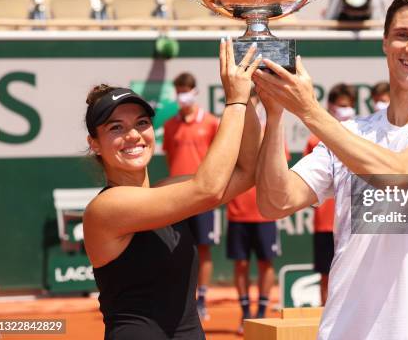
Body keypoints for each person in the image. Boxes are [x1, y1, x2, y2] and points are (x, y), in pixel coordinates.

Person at [253, 0, 408, 339]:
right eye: (402, 35)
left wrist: (310, 111)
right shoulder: (350, 133)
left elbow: (399, 174)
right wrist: (275, 116)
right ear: (385, 42)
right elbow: (276, 201)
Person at [82, 39, 261, 340]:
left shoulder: (170, 190)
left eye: (141, 123)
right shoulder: (105, 209)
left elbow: (247, 172)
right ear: (95, 145)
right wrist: (235, 102)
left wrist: (252, 95)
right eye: (116, 128)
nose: (134, 135)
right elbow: (209, 189)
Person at [162, 72, 220, 319]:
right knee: (175, 248)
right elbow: (169, 157)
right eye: (178, 90)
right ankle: (180, 299)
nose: (182, 95)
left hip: (203, 196)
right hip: (177, 196)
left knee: (203, 248)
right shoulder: (169, 125)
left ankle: (202, 300)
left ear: (195, 91)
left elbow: (219, 157)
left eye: (186, 90)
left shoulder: (210, 123)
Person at [226, 93, 284, 334]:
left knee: (265, 263)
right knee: (240, 264)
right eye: (251, 102)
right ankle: (244, 314)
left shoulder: (273, 130)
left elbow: (278, 168)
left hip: (264, 212)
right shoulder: (233, 133)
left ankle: (260, 313)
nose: (255, 106)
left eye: (257, 101)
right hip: (237, 212)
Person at [303, 83, 356, 305]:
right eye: (341, 106)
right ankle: (325, 316)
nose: (345, 110)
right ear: (330, 107)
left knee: (354, 276)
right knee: (326, 275)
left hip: (355, 221)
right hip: (325, 222)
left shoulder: (361, 138)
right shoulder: (315, 141)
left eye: (348, 106)